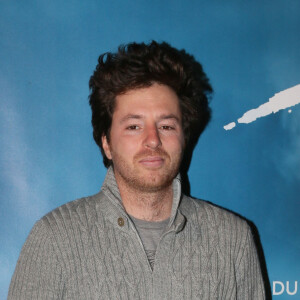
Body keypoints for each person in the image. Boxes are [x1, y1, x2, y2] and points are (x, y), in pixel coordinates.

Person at [8, 41, 266, 299]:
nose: (153, 140)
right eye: (134, 126)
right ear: (106, 143)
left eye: (166, 126)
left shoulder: (232, 239)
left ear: (184, 139)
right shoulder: (54, 238)